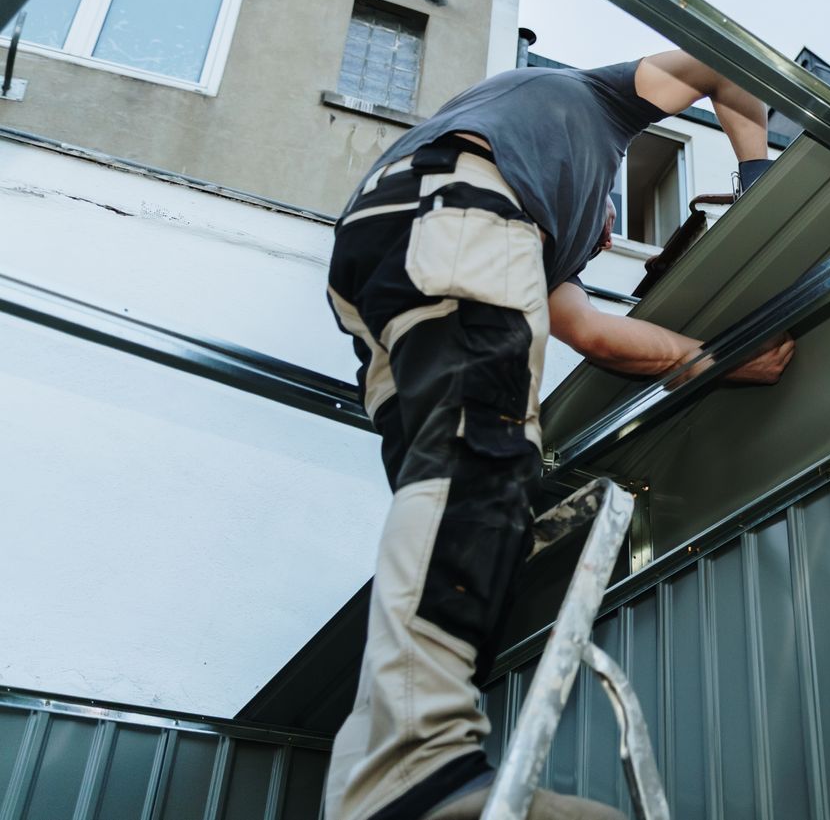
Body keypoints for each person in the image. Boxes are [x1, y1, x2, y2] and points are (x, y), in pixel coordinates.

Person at [322, 52, 795, 820]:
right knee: (481, 452)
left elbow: (594, 334)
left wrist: (712, 361)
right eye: (607, 222)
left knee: (445, 489)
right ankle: (419, 768)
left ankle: (364, 782)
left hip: (381, 249)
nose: (604, 240)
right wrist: (757, 178)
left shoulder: (544, 234)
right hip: (459, 196)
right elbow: (721, 65)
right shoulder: (598, 105)